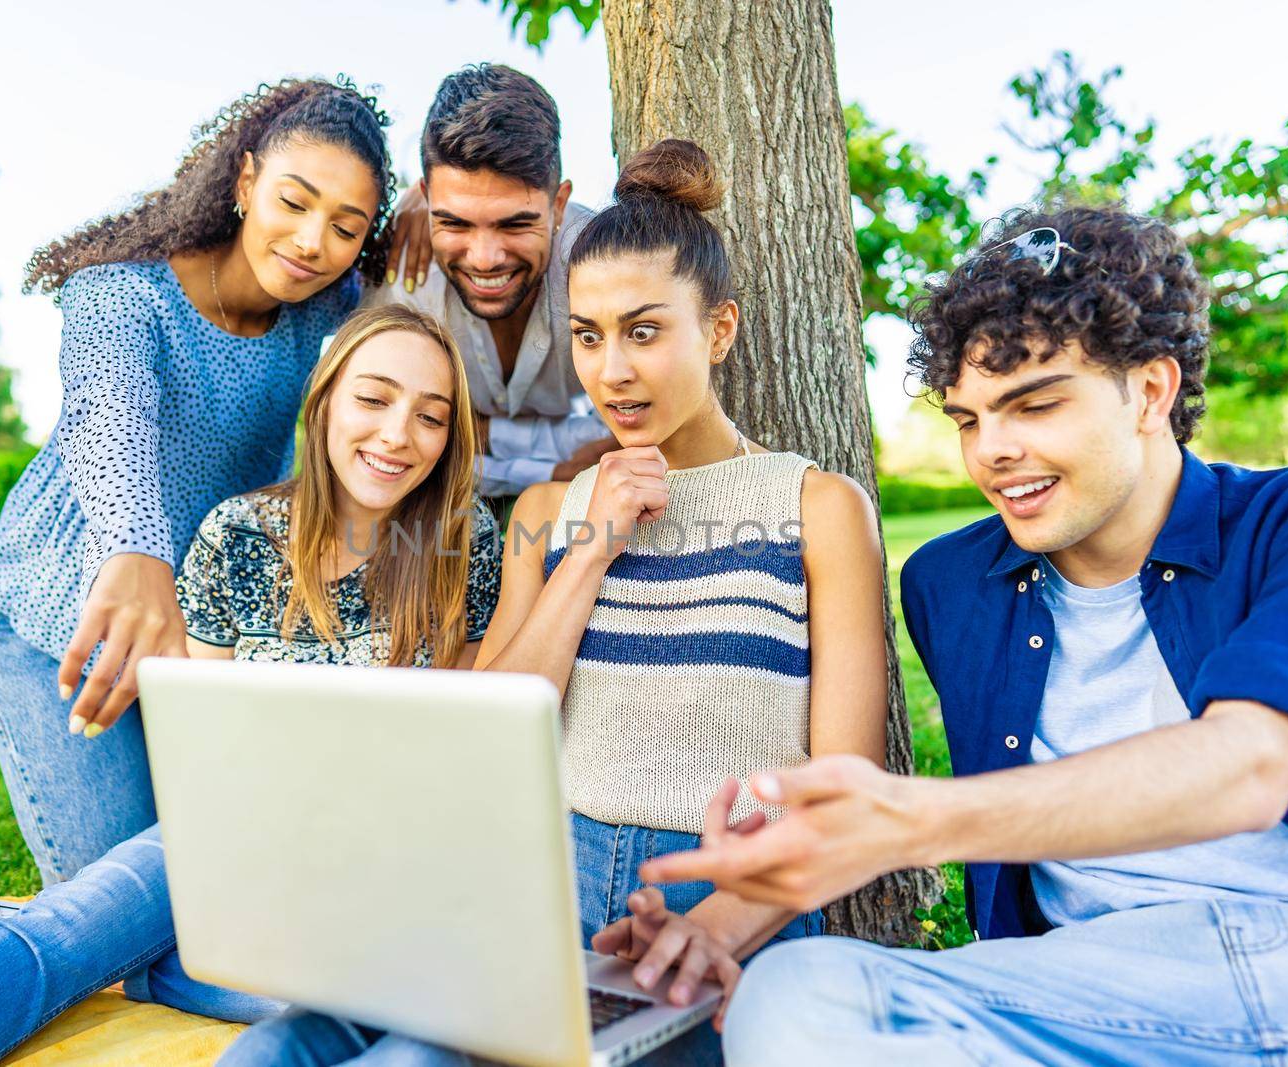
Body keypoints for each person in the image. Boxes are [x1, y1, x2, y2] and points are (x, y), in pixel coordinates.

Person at [638, 205, 1288, 1065]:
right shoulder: (949, 584)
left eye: (1034, 405)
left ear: (1152, 390)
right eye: (968, 419)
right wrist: (711, 930)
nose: (991, 451)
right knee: (800, 992)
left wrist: (917, 820)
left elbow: (1248, 766)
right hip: (1084, 981)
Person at [220, 140, 891, 1067]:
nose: (610, 370)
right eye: (587, 334)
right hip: (535, 891)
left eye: (644, 331)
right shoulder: (547, 513)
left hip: (721, 909)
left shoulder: (817, 509)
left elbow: (848, 797)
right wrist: (590, 549)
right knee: (286, 1042)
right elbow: (493, 721)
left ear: (722, 330)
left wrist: (713, 931)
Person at [0, 306, 503, 1067]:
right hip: (229, 833)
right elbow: (199, 739)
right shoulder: (237, 531)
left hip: (371, 868)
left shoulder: (464, 543)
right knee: (71, 931)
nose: (398, 435)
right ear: (325, 401)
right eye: (375, 398)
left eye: (431, 416)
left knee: (371, 988)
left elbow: (459, 737)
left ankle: (113, 961)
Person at [0, 78, 395, 886]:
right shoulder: (126, 291)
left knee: (241, 881)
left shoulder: (322, 311)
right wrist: (133, 552)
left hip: (197, 637)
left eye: (347, 226)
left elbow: (408, 342)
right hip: (53, 624)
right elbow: (107, 414)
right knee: (127, 905)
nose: (311, 240)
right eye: (294, 202)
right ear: (244, 181)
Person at [366, 63, 618, 499]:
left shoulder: (607, 268)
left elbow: (628, 437)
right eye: (455, 223)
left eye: (515, 225)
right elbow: (379, 446)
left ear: (559, 205)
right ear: (425, 201)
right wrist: (554, 469)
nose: (484, 259)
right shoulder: (402, 279)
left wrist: (481, 436)